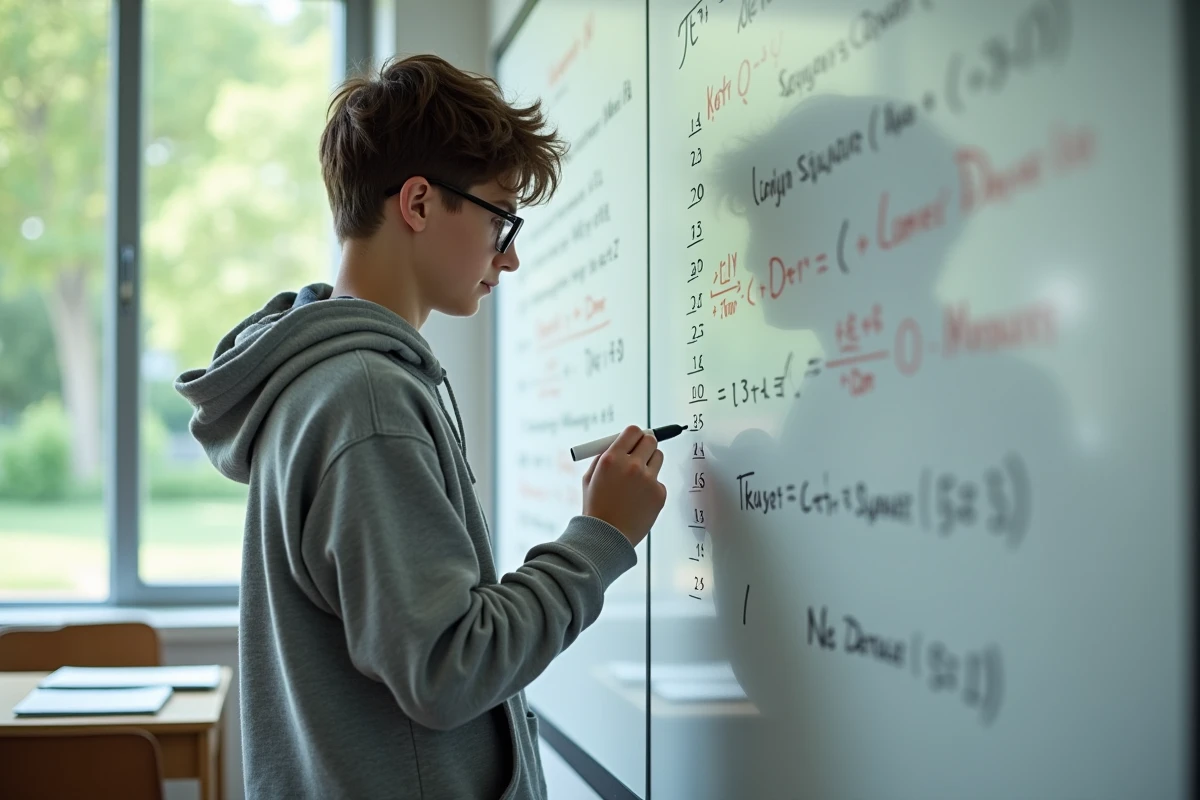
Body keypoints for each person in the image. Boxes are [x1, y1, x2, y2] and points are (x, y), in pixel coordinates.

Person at [175, 54, 668, 799]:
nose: (512, 256)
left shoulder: (326, 383)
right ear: (419, 203)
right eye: (502, 221)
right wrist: (599, 539)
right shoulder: (367, 400)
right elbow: (448, 667)